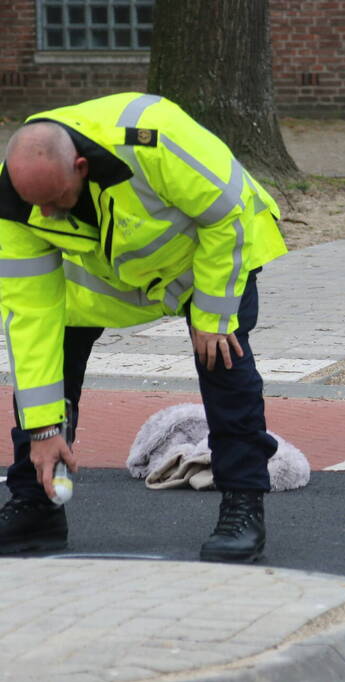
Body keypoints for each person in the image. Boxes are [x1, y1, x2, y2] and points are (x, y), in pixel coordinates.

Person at [0, 92, 288, 562]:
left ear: (80, 165)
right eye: (39, 206)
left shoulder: (154, 137)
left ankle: (242, 505)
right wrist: (43, 428)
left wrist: (212, 317)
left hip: (208, 263)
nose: (47, 215)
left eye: (55, 201)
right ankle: (37, 506)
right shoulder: (14, 200)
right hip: (108, 276)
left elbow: (228, 214)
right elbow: (29, 319)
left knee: (223, 362)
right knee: (55, 352)